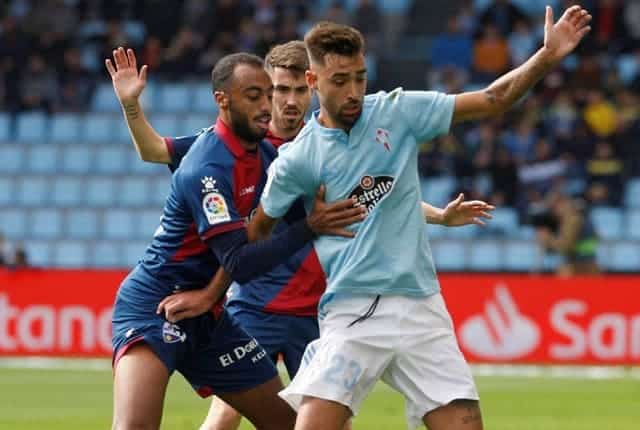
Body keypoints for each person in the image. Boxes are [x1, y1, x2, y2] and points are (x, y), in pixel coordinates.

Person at [106, 42, 495, 430]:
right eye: (272, 92)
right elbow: (156, 153)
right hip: (233, 301)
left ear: (311, 89)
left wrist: (438, 216)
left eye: (291, 92)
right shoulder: (215, 154)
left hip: (303, 305)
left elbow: (367, 201)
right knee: (214, 416)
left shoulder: (301, 153)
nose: (282, 102)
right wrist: (131, 105)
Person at [248, 8, 591, 430]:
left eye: (359, 76)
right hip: (354, 309)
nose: (354, 90)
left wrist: (547, 56)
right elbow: (257, 231)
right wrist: (306, 226)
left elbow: (492, 98)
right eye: (340, 81)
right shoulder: (297, 159)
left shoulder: (397, 112)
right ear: (314, 83)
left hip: (421, 305)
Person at [105, 51, 364, 430]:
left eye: (268, 95)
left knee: (288, 425)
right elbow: (242, 261)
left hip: (210, 319)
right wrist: (311, 226)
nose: (267, 106)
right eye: (254, 95)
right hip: (156, 305)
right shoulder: (205, 168)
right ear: (222, 100)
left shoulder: (264, 155)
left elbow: (309, 212)